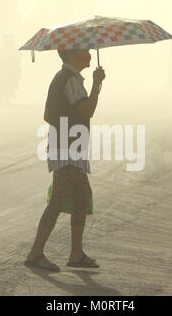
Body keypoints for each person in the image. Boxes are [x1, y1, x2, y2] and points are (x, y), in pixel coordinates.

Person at [24, 49, 106, 271]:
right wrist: (97, 85)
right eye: (83, 51)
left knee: (81, 197)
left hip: (69, 146)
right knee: (59, 199)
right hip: (67, 148)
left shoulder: (64, 78)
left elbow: (48, 115)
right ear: (71, 54)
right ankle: (35, 253)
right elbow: (88, 109)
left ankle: (76, 253)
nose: (87, 54)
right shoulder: (70, 80)